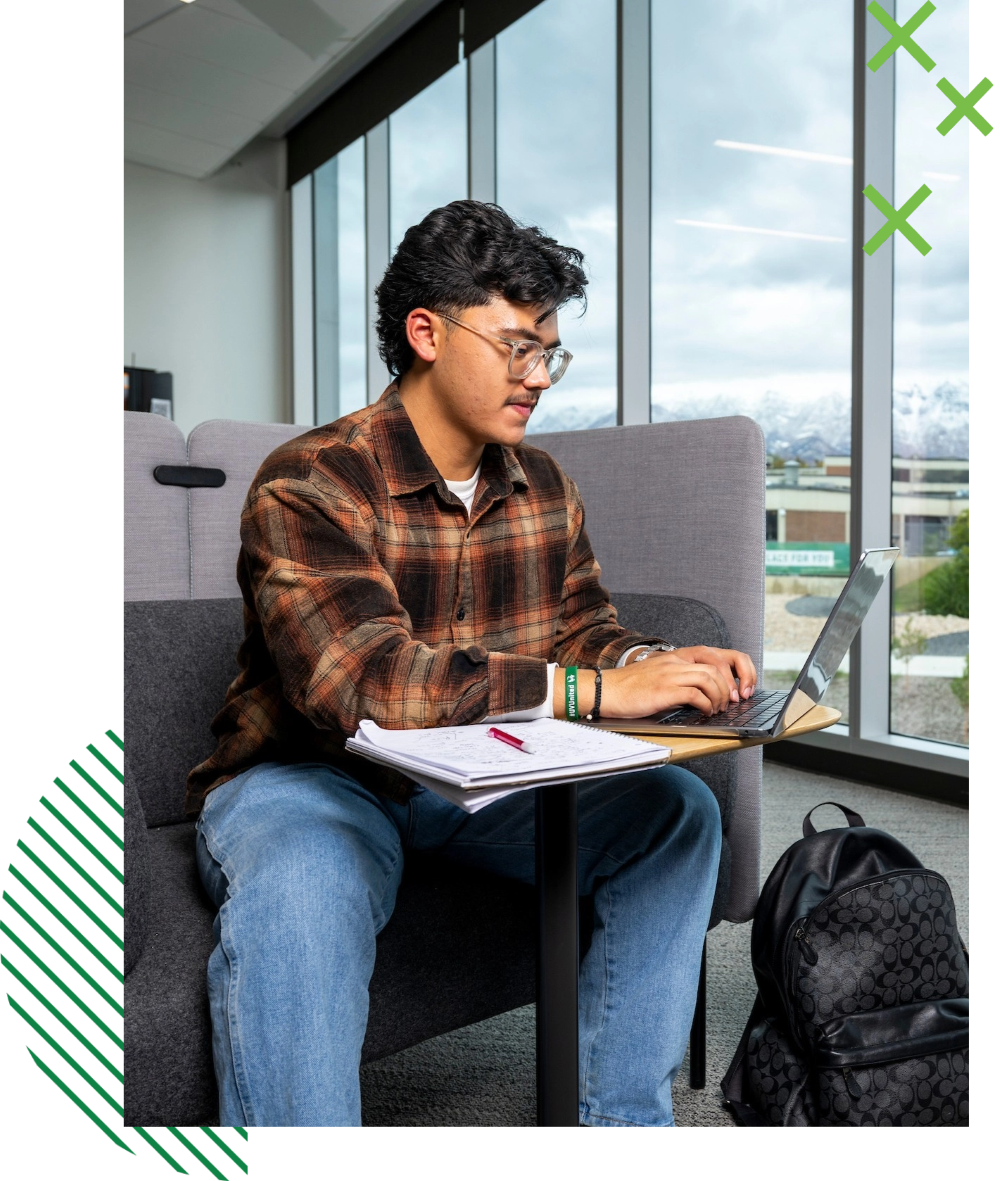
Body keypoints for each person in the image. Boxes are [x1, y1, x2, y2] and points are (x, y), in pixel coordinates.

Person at [189, 200, 757, 1128]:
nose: (538, 377)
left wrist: (659, 663)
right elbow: (368, 684)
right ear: (426, 332)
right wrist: (596, 688)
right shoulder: (311, 480)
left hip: (479, 781)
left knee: (678, 815)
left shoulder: (544, 486)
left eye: (550, 352)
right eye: (516, 346)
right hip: (317, 778)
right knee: (303, 889)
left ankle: (623, 1116)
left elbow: (582, 631)